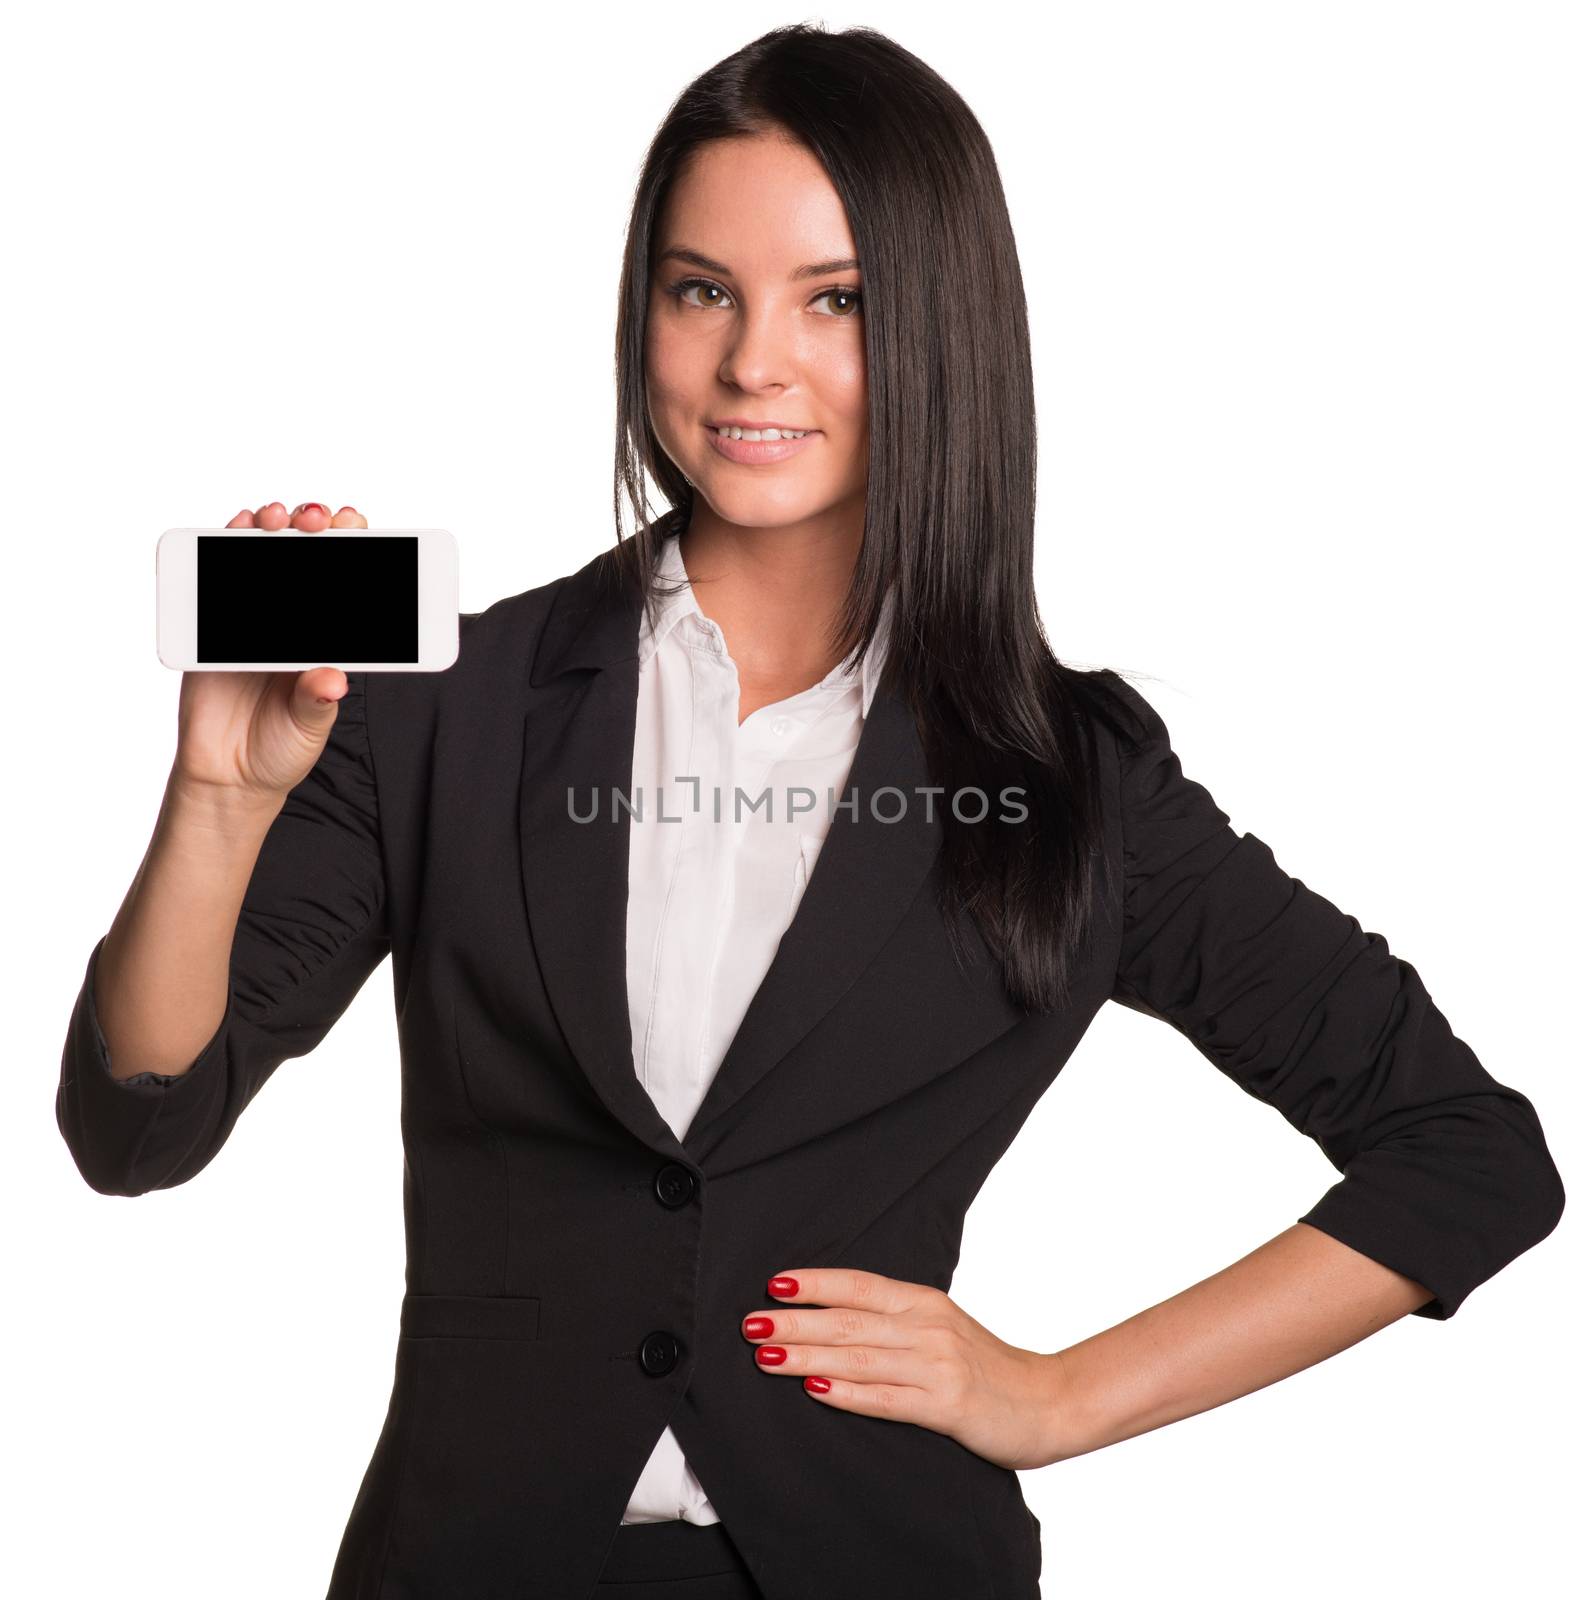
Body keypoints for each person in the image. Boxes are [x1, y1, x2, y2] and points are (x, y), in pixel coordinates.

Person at [56, 23, 1565, 1600]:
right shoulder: (450, 706)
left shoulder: (1071, 776)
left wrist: (1054, 1396)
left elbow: (1468, 1158)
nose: (750, 363)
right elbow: (138, 1126)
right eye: (701, 288)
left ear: (943, 333)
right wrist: (218, 799)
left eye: (835, 301)